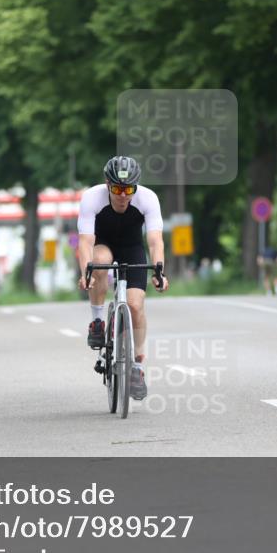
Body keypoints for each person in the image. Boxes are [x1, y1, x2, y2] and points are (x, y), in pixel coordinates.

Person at [77, 156, 168, 400]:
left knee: (136, 305)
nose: (123, 196)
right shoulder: (91, 198)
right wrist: (85, 273)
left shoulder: (148, 199)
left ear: (136, 187)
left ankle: (137, 366)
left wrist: (159, 272)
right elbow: (85, 242)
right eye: (117, 189)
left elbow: (155, 241)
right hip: (103, 243)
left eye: (128, 189)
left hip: (131, 247)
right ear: (107, 185)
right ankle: (97, 321)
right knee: (100, 264)